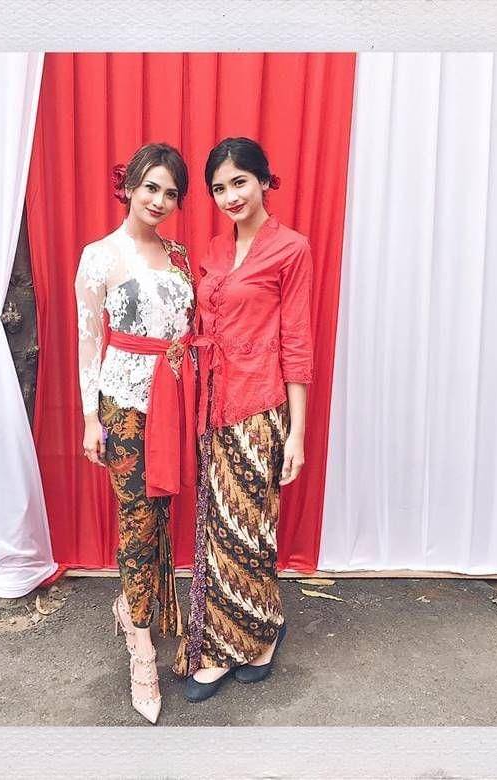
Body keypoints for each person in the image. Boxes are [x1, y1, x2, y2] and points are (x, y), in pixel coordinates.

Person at [173, 137, 314, 702]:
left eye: (239, 182)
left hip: (260, 409)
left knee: (249, 529)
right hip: (212, 406)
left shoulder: (291, 249)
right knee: (218, 530)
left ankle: (251, 639)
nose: (230, 196)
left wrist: (297, 433)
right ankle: (237, 637)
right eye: (219, 188)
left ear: (263, 180)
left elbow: (296, 341)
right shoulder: (211, 250)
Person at [75, 142, 197, 724]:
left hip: (175, 400)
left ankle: (132, 604)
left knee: (162, 511)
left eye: (171, 193)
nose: (159, 200)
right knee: (137, 520)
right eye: (151, 187)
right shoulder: (100, 256)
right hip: (124, 404)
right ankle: (143, 650)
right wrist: (89, 418)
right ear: (129, 186)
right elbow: (88, 342)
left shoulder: (179, 256)